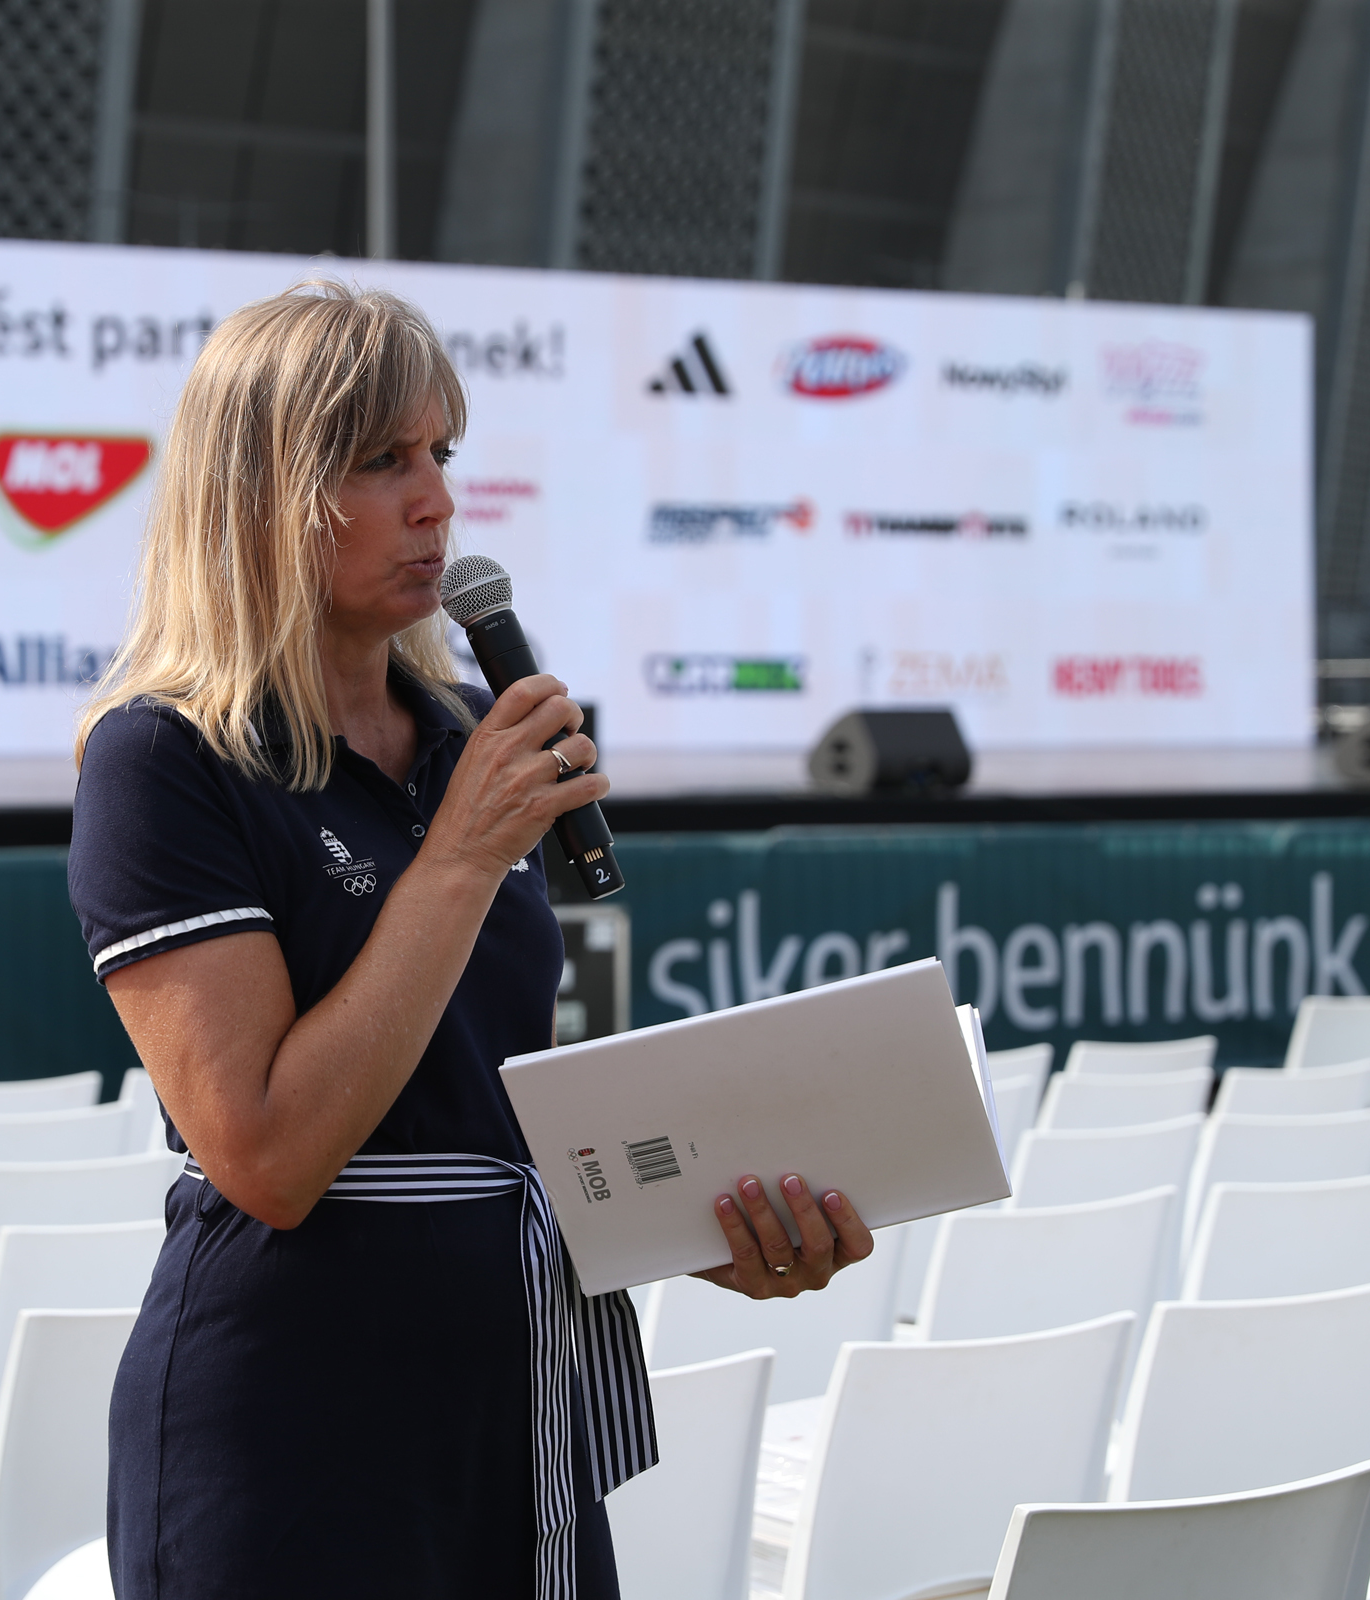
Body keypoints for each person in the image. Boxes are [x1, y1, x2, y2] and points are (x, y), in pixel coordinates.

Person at [68, 281, 875, 1600]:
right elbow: (266, 1157)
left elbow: (489, 1108)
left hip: (511, 1402)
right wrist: (456, 860)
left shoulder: (464, 731)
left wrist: (692, 1228)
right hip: (288, 1432)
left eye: (440, 452)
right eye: (381, 461)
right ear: (261, 492)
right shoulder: (162, 758)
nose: (437, 500)